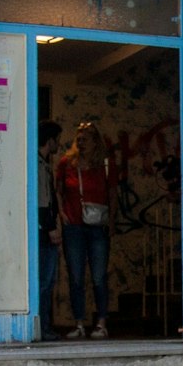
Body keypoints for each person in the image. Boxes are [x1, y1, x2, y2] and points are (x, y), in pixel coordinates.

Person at [56, 121, 114, 339]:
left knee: (99, 276)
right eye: (78, 139)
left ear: (95, 142)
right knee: (76, 276)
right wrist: (62, 214)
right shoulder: (66, 163)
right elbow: (58, 191)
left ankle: (101, 323)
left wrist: (112, 222)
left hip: (98, 227)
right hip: (74, 227)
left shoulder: (105, 165)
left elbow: (113, 193)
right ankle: (79, 323)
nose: (80, 142)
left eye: (85, 139)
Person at [36, 121, 64, 340]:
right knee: (45, 281)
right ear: (50, 140)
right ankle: (43, 328)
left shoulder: (43, 164)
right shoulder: (38, 165)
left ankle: (44, 326)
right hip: (44, 231)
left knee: (46, 281)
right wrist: (51, 227)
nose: (60, 144)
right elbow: (42, 201)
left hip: (44, 229)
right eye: (57, 139)